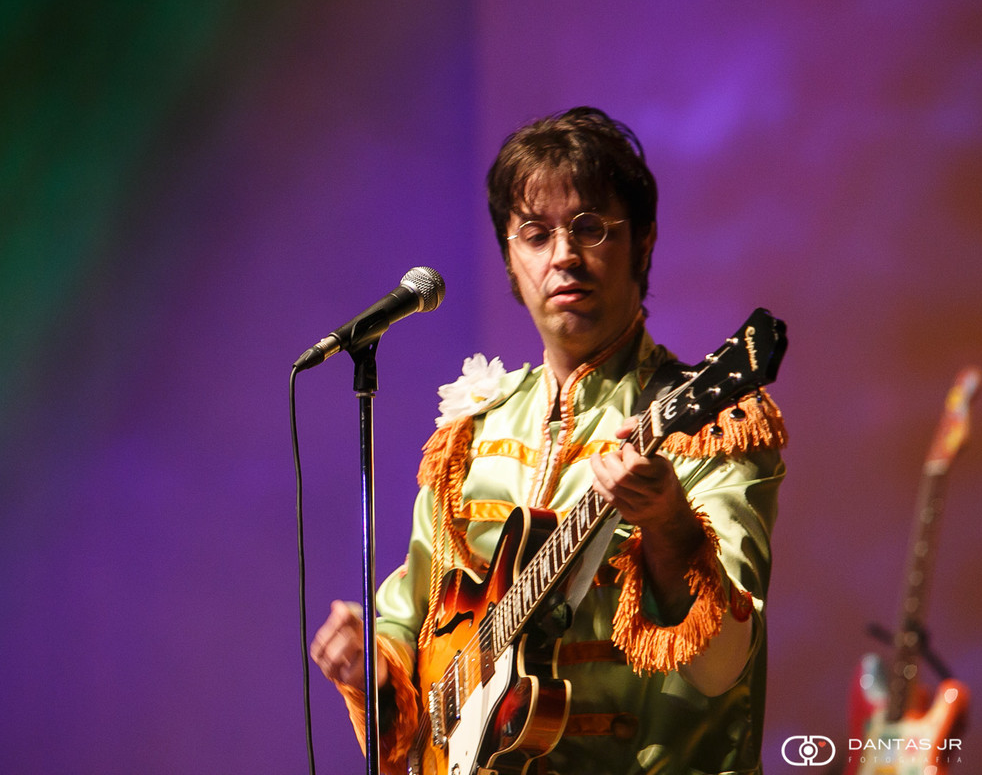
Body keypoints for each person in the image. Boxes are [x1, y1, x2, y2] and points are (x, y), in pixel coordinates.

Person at [310, 107, 786, 775]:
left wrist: (668, 521)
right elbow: (410, 621)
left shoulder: (712, 421)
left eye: (590, 227)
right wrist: (372, 672)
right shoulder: (471, 436)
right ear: (510, 255)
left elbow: (722, 668)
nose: (563, 255)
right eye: (536, 233)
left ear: (643, 242)